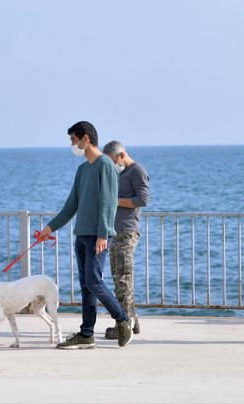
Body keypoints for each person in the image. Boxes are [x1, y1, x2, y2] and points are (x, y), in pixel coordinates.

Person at [36, 121, 133, 350]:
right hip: (81, 236)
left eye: (73, 140)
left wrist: (102, 234)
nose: (73, 145)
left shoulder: (105, 166)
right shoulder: (82, 170)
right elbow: (71, 205)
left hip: (98, 236)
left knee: (94, 281)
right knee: (86, 285)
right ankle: (87, 334)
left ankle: (123, 320)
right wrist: (50, 228)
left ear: (85, 138)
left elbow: (109, 202)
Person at [101, 140, 150, 340]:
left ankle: (124, 325)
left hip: (127, 232)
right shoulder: (122, 174)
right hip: (117, 232)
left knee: (123, 280)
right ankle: (132, 322)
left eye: (113, 160)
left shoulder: (137, 170)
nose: (113, 165)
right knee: (119, 278)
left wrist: (114, 200)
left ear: (121, 155)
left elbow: (143, 199)